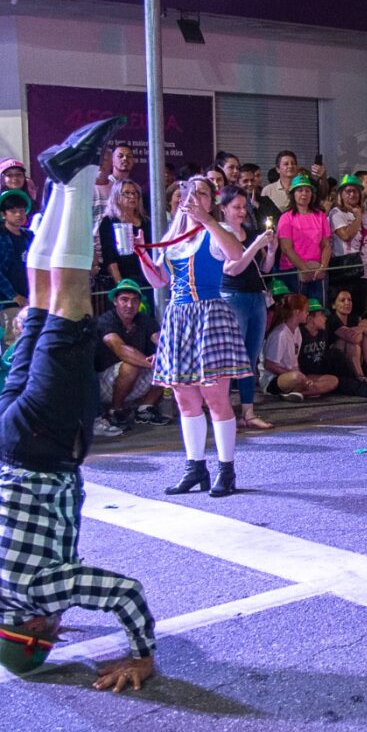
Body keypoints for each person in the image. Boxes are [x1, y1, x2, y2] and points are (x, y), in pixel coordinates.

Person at [0, 115, 156, 691]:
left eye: (49, 632)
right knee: (44, 305)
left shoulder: (36, 593)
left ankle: (73, 181)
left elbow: (125, 593)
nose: (58, 624)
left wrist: (141, 653)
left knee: (69, 301)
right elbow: (29, 599)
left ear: (36, 629)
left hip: (40, 445)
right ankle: (57, 184)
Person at [138, 176, 252, 498]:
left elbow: (235, 255)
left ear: (211, 201)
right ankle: (195, 467)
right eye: (189, 193)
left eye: (202, 193)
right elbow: (159, 280)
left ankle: (226, 469)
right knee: (184, 398)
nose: (193, 198)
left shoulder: (217, 231)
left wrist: (207, 220)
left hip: (209, 315)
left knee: (216, 397)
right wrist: (141, 255)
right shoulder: (173, 237)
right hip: (178, 316)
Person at [218, 184, 279, 431]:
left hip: (256, 296)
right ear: (223, 209)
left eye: (244, 207)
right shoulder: (220, 234)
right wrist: (256, 245)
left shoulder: (251, 231)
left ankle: (248, 410)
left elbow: (263, 268)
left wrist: (272, 250)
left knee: (251, 356)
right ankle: (223, 410)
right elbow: (232, 267)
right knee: (233, 356)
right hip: (233, 296)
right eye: (236, 207)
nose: (241, 212)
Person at [95, 279, 171, 431]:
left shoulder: (144, 320)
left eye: (134, 300)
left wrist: (162, 356)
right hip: (103, 382)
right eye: (124, 300)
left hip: (135, 379)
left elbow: (163, 342)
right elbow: (121, 350)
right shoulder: (105, 320)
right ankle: (115, 411)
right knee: (131, 365)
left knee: (170, 361)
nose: (129, 305)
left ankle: (145, 409)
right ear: (115, 301)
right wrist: (153, 363)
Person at [329, 174, 367, 313]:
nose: (352, 194)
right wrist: (358, 217)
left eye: (355, 191)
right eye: (348, 191)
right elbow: (346, 235)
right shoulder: (336, 213)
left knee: (360, 310)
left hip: (364, 271)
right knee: (344, 310)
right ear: (341, 194)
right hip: (345, 270)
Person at [262, 294, 338, 401]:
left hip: (293, 374)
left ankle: (299, 393)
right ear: (297, 312)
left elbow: (294, 362)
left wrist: (303, 377)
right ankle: (301, 391)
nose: (307, 313)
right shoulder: (280, 334)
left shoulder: (297, 331)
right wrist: (295, 375)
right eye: (306, 310)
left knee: (333, 380)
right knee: (296, 378)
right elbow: (269, 365)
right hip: (274, 379)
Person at [0, 189, 33, 325]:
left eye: (21, 210)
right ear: (3, 214)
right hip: (0, 299)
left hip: (26, 297)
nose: (19, 215)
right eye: (13, 211)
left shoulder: (29, 235)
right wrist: (14, 295)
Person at [276, 174, 332, 303]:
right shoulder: (286, 217)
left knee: (319, 310)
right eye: (300, 190)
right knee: (297, 311)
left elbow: (326, 245)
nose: (304, 194)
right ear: (293, 194)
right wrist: (304, 269)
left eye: (307, 190)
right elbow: (286, 248)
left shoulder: (320, 216)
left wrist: (323, 267)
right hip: (293, 271)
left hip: (318, 270)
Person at [97, 179, 152, 305]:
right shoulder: (109, 221)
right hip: (123, 277)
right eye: (127, 193)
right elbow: (109, 256)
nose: (132, 196)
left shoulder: (147, 221)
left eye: (135, 193)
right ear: (116, 197)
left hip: (146, 276)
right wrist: (121, 284)